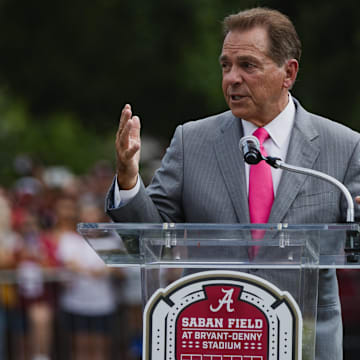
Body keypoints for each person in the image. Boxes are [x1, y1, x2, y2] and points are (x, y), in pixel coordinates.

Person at [105, 7, 360, 360]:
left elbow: (353, 235)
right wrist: (128, 178)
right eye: (226, 66)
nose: (232, 78)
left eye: (247, 66)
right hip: (215, 339)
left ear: (289, 72)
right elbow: (149, 236)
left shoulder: (343, 146)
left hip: (306, 341)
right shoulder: (192, 141)